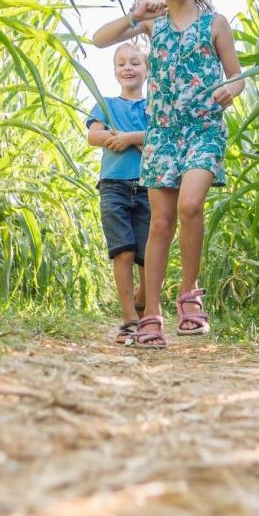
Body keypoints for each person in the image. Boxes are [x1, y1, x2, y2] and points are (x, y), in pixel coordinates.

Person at [90, 0, 243, 349]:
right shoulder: (152, 25)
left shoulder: (215, 24)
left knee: (190, 204)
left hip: (203, 130)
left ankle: (189, 291)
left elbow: (237, 74)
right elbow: (99, 40)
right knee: (160, 224)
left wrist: (233, 89)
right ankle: (151, 313)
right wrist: (132, 16)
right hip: (163, 135)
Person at [85, 41, 150, 345]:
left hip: (150, 186)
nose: (128, 68)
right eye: (121, 63)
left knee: (148, 257)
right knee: (122, 251)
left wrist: (131, 137)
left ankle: (143, 299)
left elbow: (159, 141)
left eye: (135, 63)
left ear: (147, 70)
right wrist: (119, 137)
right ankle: (130, 319)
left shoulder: (154, 107)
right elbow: (93, 136)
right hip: (113, 186)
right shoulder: (106, 104)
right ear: (114, 71)